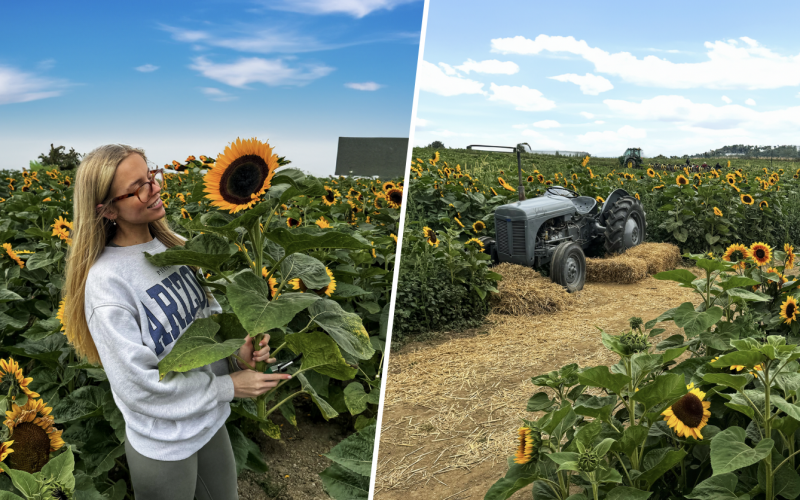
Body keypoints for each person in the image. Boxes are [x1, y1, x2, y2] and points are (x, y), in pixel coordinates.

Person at [61, 144, 289, 500]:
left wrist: (238, 354)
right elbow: (138, 387)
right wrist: (229, 386)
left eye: (151, 176)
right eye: (138, 187)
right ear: (106, 210)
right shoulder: (107, 283)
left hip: (209, 421)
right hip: (164, 444)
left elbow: (209, 322)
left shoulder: (179, 246)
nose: (155, 188)